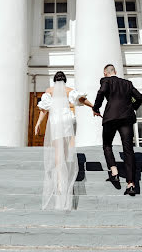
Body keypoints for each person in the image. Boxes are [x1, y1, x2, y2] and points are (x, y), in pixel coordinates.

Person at [34, 71, 93, 210]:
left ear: (54, 80)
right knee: (66, 150)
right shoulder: (69, 90)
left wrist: (38, 124)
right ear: (65, 80)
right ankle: (66, 173)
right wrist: (93, 106)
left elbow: (44, 110)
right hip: (67, 120)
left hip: (55, 121)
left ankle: (60, 182)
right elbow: (81, 99)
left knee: (57, 152)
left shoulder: (49, 91)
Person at [92, 64, 142, 196]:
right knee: (128, 149)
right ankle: (131, 184)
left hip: (111, 117)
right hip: (126, 117)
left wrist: (96, 108)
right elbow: (140, 97)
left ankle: (114, 172)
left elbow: (101, 92)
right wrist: (131, 107)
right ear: (115, 71)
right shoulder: (127, 83)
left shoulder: (106, 81)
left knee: (107, 144)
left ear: (105, 73)